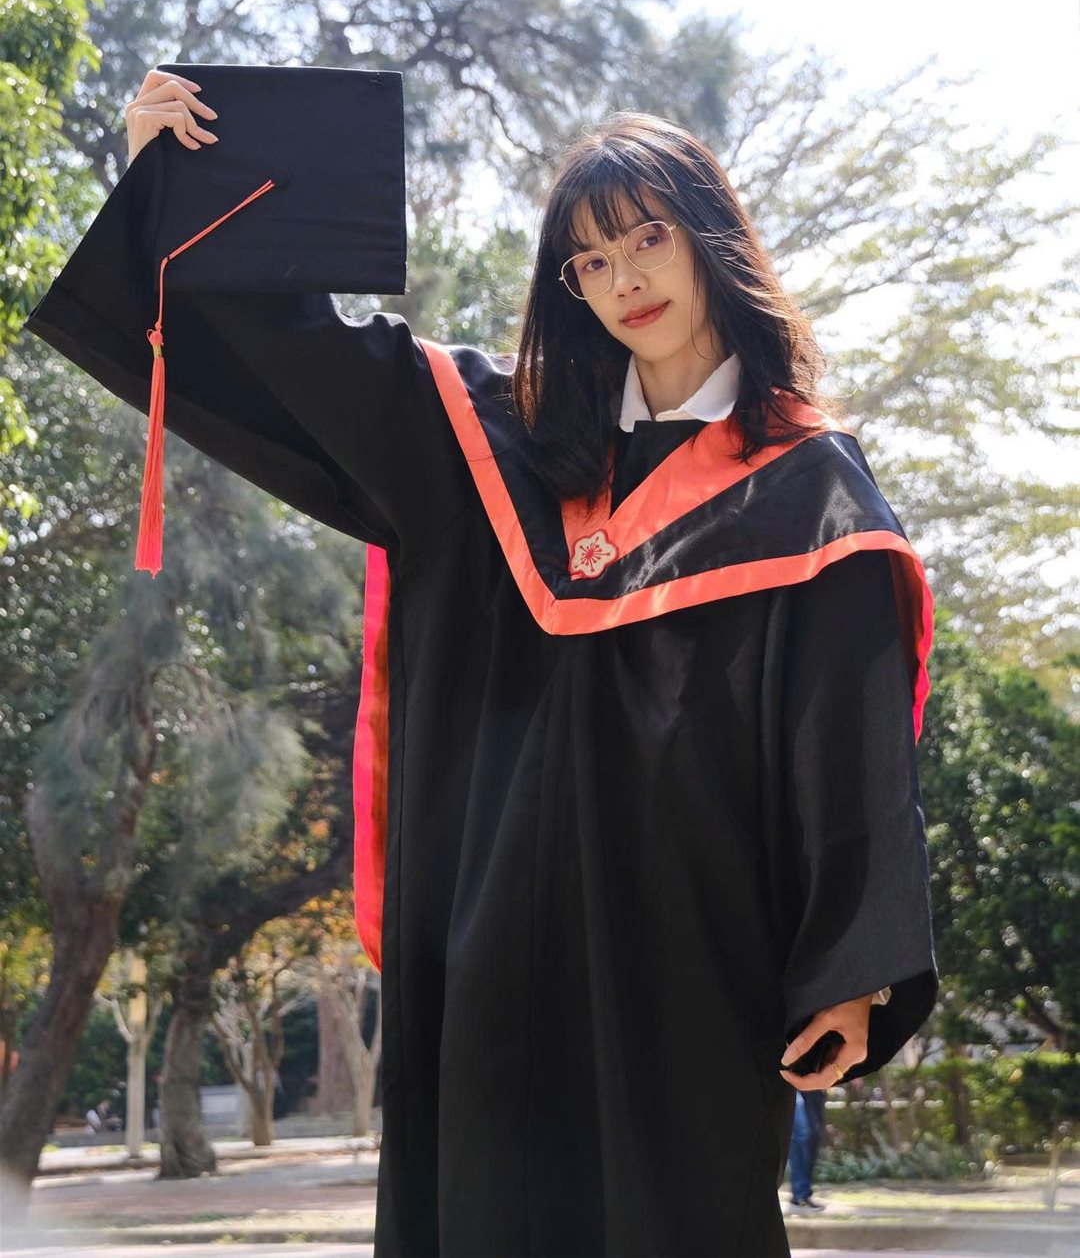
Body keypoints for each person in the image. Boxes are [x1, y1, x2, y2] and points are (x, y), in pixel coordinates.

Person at [25, 69, 938, 1258]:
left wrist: (855, 963)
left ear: (712, 239)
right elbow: (293, 356)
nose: (625, 279)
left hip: (687, 959)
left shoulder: (808, 488)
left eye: (649, 238)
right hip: (486, 956)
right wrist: (177, 184)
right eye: (591, 260)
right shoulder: (489, 439)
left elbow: (847, 731)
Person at [787, 1089, 828, 1211]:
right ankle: (800, 1194)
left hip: (815, 1089)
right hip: (793, 1087)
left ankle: (803, 1194)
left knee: (813, 1136)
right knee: (802, 1133)